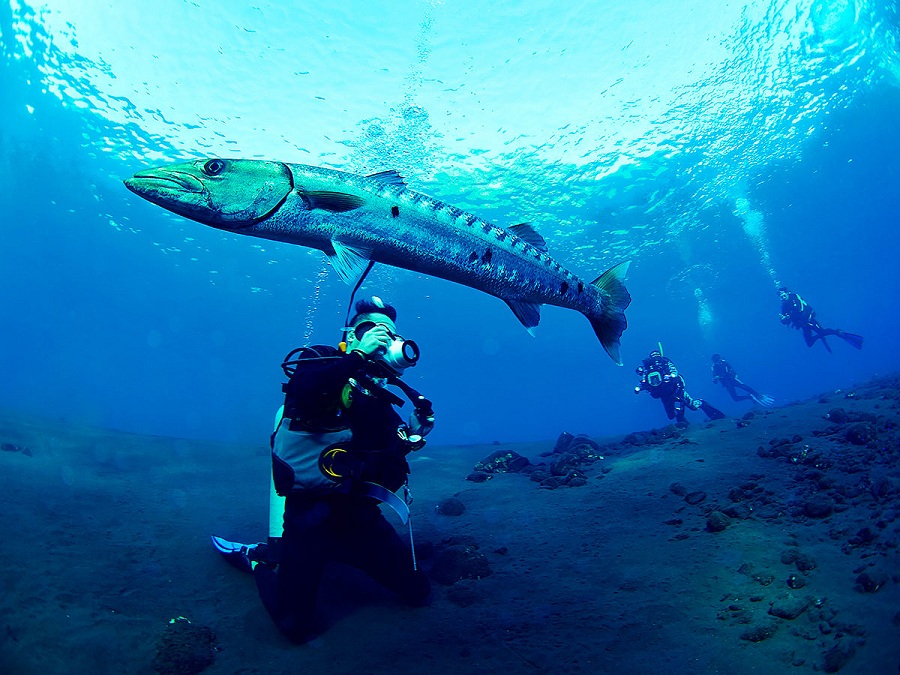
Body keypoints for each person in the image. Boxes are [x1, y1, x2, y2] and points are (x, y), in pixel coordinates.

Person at [214, 296, 435, 644]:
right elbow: (304, 393)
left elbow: (389, 455)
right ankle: (259, 560)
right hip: (309, 516)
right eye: (370, 328)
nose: (382, 338)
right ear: (350, 334)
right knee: (295, 626)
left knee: (419, 592)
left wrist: (412, 434)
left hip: (360, 516)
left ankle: (344, 554)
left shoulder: (379, 393)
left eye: (390, 334)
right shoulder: (319, 360)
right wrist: (356, 356)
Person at [635, 349, 725, 427]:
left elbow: (674, 371)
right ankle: (682, 419)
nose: (656, 359)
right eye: (653, 357)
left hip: (676, 390)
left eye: (657, 356)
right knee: (671, 416)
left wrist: (671, 376)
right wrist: (639, 387)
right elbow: (644, 381)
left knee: (693, 406)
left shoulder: (666, 363)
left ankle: (701, 403)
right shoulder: (648, 371)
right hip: (664, 395)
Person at [778, 287, 863, 352]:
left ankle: (837, 332)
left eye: (784, 295)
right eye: (781, 297)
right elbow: (786, 321)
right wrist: (784, 320)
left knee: (822, 331)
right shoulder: (784, 307)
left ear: (788, 293)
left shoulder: (794, 298)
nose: (783, 297)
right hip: (803, 325)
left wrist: (790, 316)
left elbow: (801, 310)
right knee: (809, 343)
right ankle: (820, 335)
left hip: (809, 320)